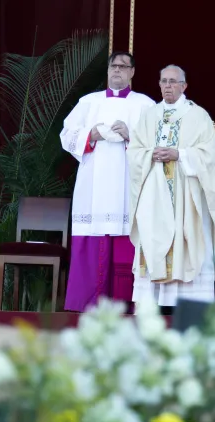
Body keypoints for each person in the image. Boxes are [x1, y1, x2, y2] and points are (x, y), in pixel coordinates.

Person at [61, 51, 155, 312]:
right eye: (114, 66)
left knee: (126, 238)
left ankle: (122, 305)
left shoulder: (145, 105)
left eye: (124, 67)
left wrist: (131, 136)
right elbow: (66, 134)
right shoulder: (89, 102)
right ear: (108, 70)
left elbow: (157, 145)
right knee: (92, 236)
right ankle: (87, 303)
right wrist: (90, 135)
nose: (118, 70)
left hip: (129, 187)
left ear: (132, 73)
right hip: (93, 185)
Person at [127, 65, 215, 308]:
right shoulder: (150, 115)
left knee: (186, 237)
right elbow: (134, 151)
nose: (167, 86)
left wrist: (179, 154)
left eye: (173, 81)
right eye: (163, 81)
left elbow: (211, 156)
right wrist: (150, 154)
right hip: (154, 194)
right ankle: (149, 307)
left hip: (185, 194)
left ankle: (189, 307)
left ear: (184, 86)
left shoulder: (198, 115)